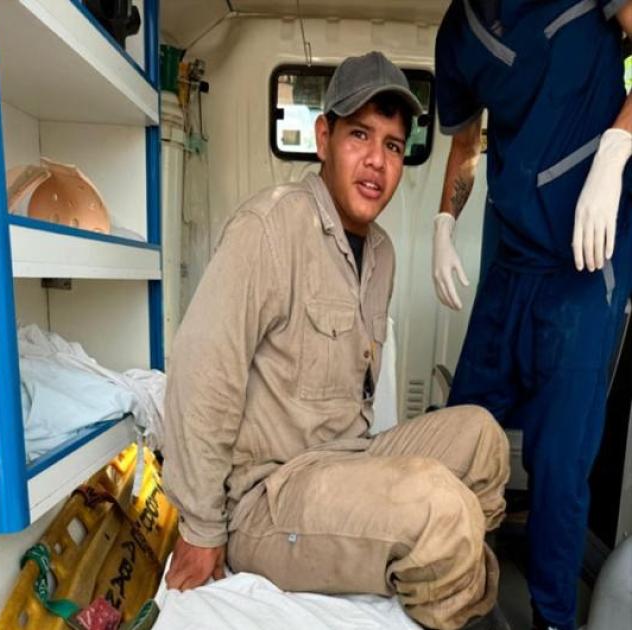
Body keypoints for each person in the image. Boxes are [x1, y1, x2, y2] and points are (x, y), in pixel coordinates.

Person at [160, 51, 511, 630]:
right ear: (324, 138)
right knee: (440, 508)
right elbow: (203, 375)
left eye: (393, 145)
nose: (377, 160)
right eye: (359, 135)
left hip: (348, 459)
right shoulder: (268, 228)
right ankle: (453, 596)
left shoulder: (382, 254)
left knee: (482, 438)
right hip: (269, 496)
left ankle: (457, 582)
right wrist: (200, 527)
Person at [430, 2, 632, 628]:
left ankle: (552, 618)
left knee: (560, 465)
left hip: (583, 263)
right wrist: (443, 222)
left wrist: (616, 149)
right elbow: (466, 143)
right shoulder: (458, 31)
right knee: (457, 441)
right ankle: (446, 600)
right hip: (511, 260)